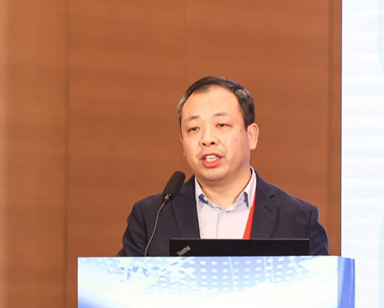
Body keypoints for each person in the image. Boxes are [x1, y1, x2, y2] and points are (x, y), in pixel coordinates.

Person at [117, 76, 329, 256]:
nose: (207, 139)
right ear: (182, 141)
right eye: (193, 128)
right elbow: (123, 289)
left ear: (251, 136)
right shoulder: (152, 219)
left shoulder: (299, 220)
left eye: (221, 125)